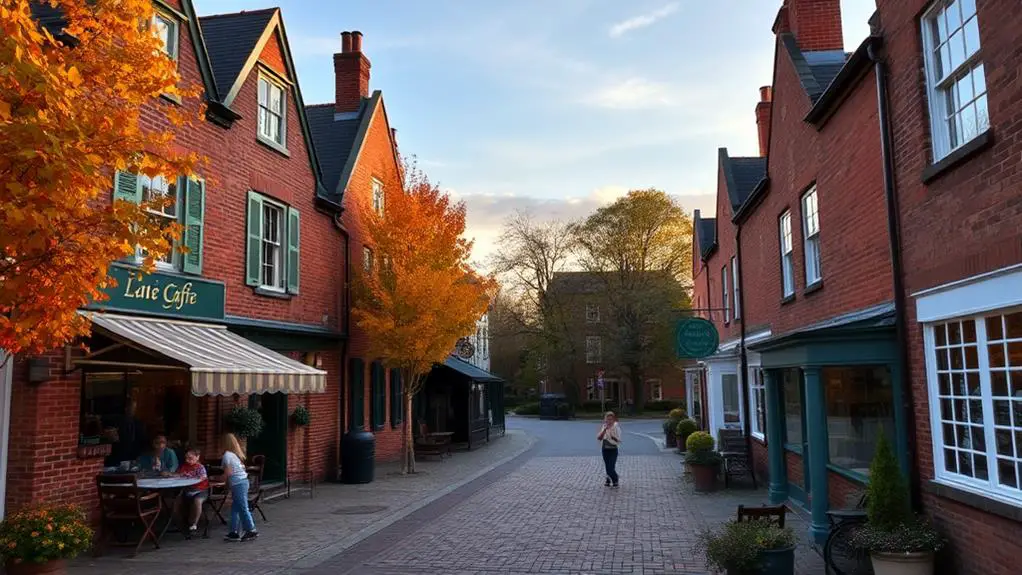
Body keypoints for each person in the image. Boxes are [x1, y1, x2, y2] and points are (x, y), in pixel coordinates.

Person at [221, 432, 257, 542]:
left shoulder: (227, 455)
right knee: (235, 508)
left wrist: (220, 479)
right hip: (242, 481)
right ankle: (234, 531)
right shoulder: (235, 455)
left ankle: (251, 529)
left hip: (238, 483)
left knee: (242, 507)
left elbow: (229, 472)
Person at [174, 449, 209, 536]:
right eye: (186, 458)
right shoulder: (184, 466)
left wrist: (191, 477)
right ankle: (178, 521)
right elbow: (178, 474)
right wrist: (171, 474)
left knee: (197, 501)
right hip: (187, 490)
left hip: (200, 490)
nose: (187, 460)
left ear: (197, 457)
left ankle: (194, 524)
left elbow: (203, 477)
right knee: (177, 500)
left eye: (190, 458)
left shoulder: (200, 467)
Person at [597, 411, 621, 487]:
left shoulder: (616, 428)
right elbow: (599, 438)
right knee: (607, 466)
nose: (609, 421)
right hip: (605, 449)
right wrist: (604, 431)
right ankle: (609, 479)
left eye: (611, 419)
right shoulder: (604, 427)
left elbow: (618, 440)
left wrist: (612, 436)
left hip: (613, 449)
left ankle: (615, 478)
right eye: (607, 419)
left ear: (614, 420)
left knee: (611, 466)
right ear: (605, 420)